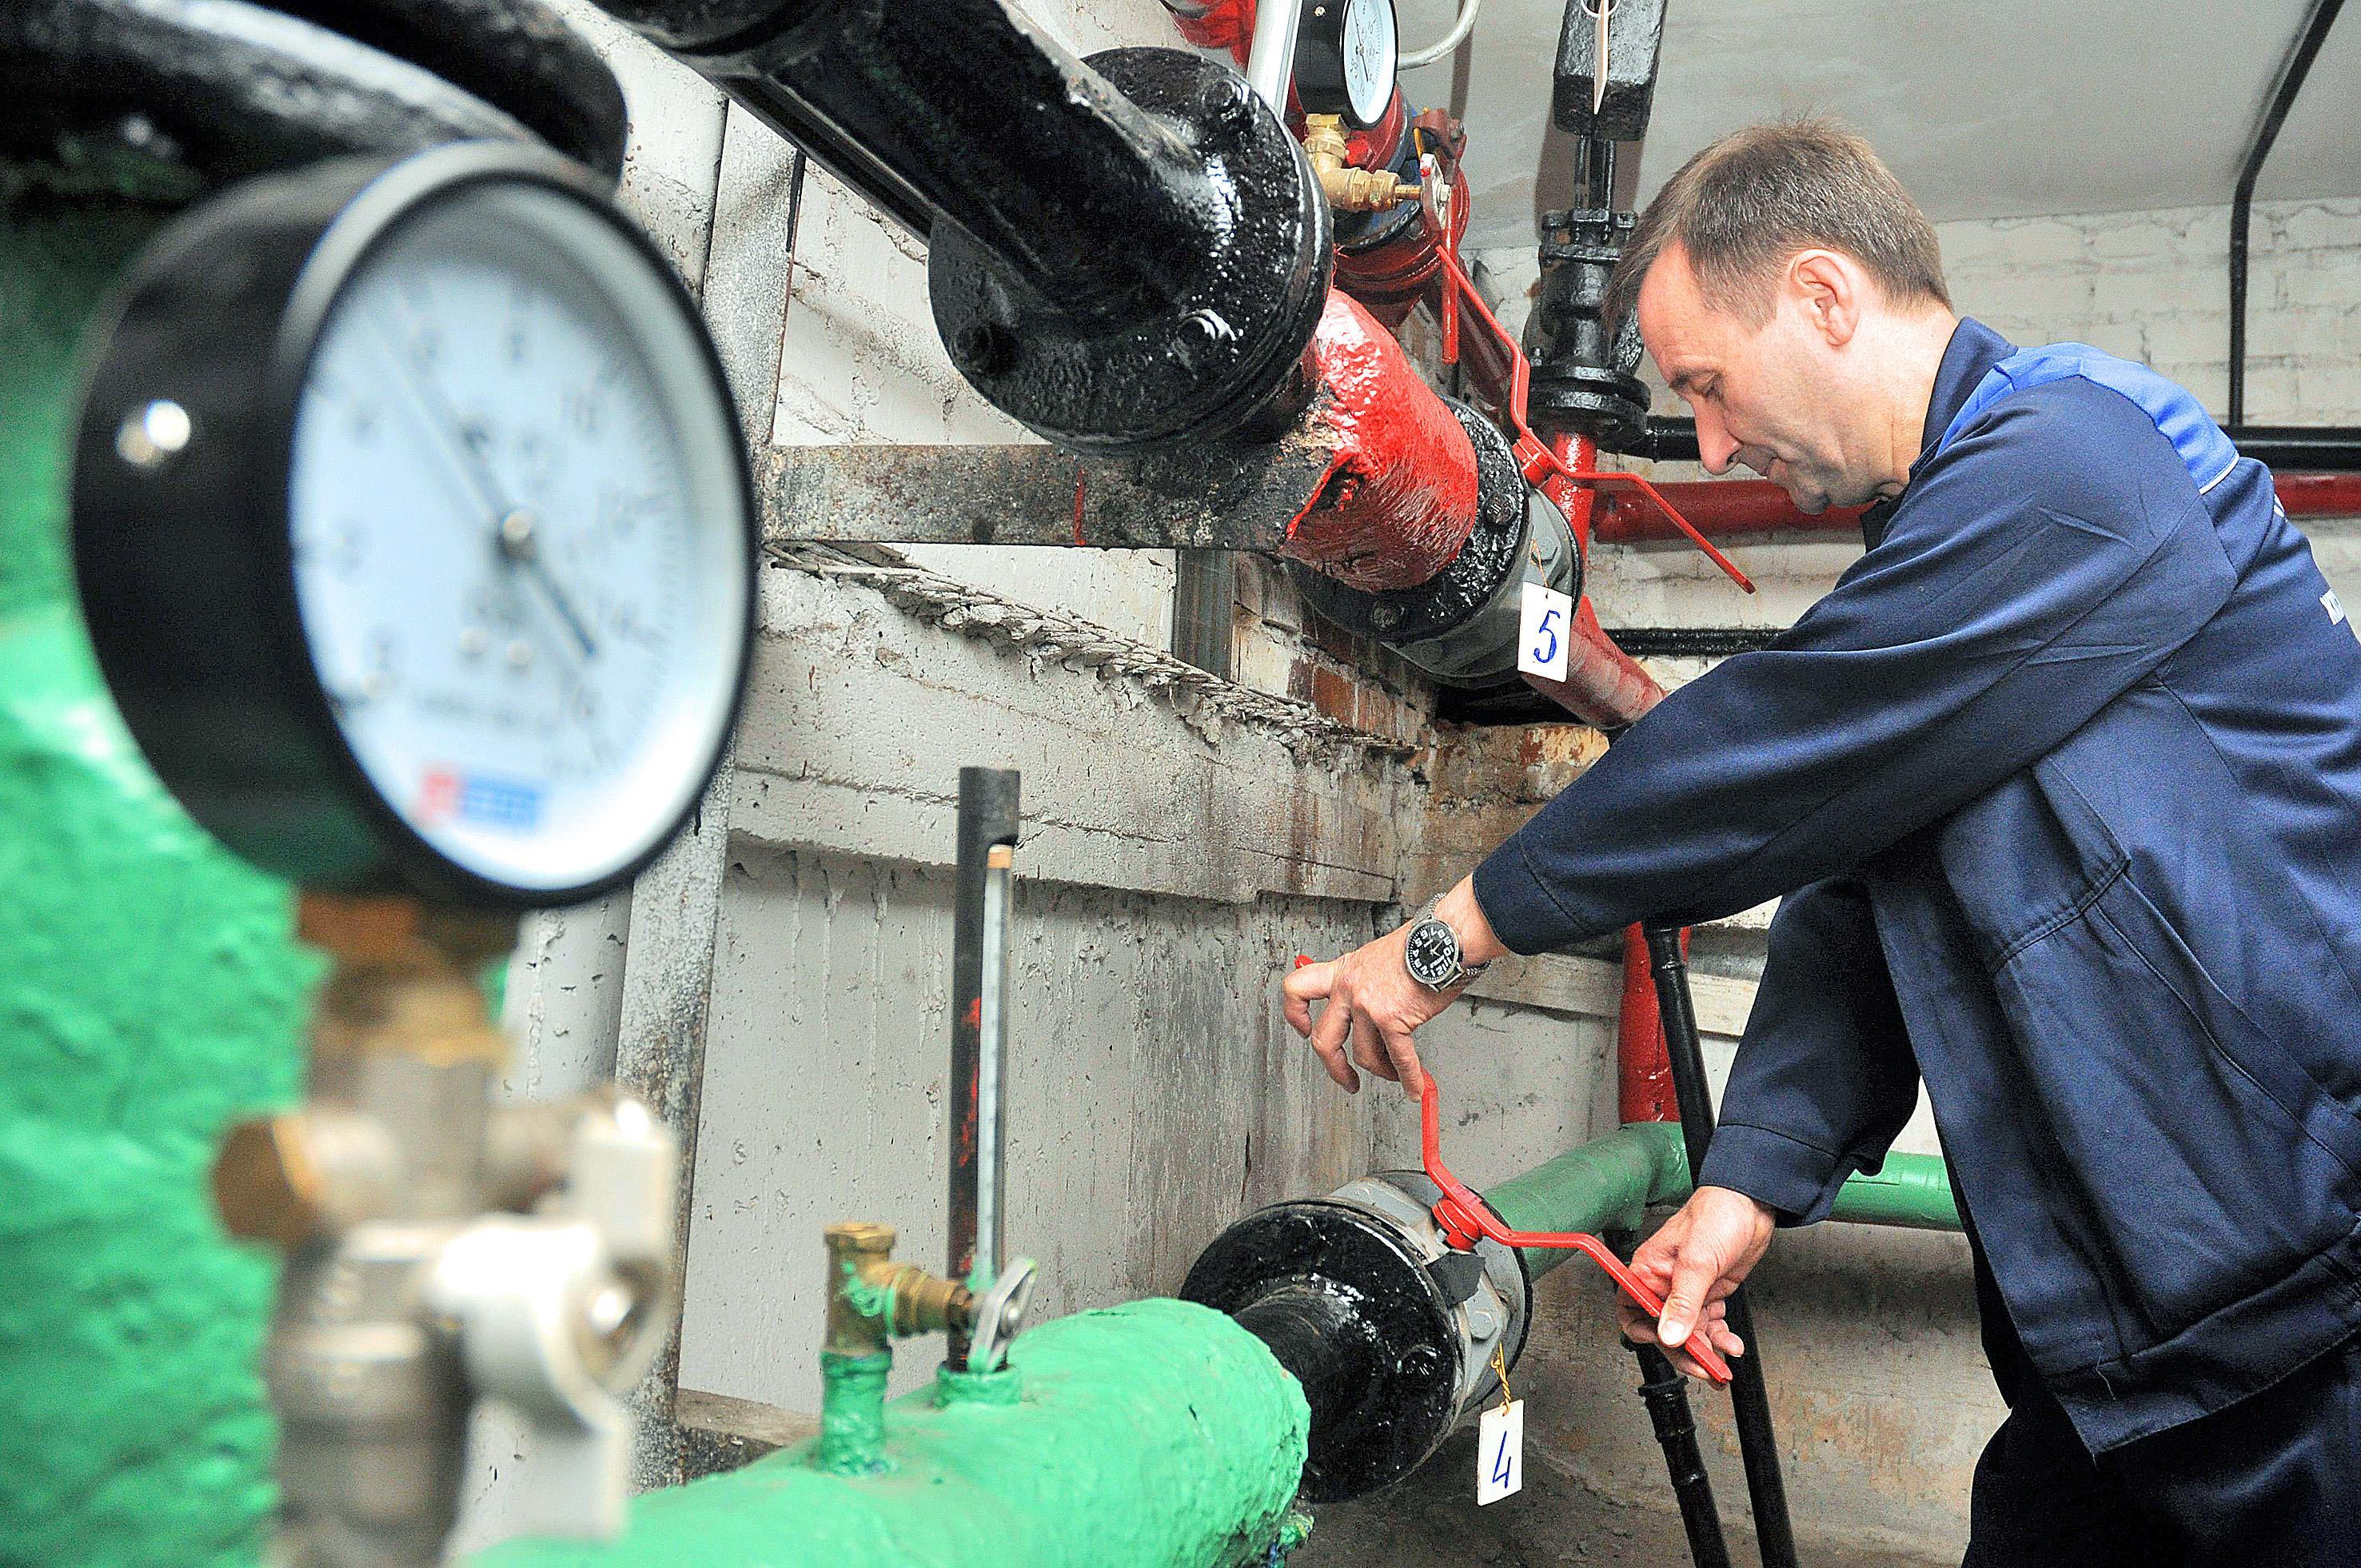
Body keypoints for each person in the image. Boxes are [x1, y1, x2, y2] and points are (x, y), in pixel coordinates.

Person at [1282, 119, 2361, 1565]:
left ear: (1823, 296)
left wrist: (1448, 936)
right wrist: (1745, 1184)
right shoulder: (1947, 549)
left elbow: (1763, 750)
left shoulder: (2081, 459)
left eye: (1710, 389)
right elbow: (1856, 907)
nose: (1714, 445)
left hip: (2306, 1312)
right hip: (2128, 1341)